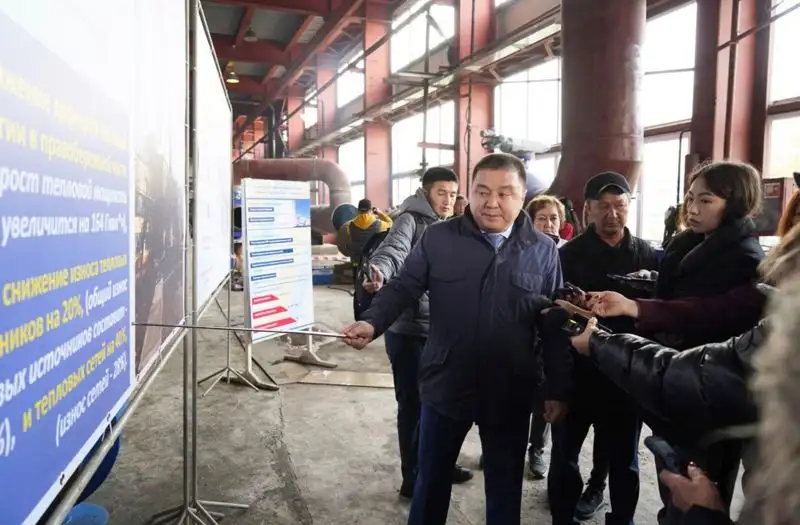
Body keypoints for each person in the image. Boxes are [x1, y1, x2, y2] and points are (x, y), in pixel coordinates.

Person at [342, 152, 572, 525]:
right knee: (430, 483)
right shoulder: (439, 238)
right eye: (482, 191)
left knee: (504, 489)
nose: (491, 202)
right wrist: (372, 322)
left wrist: (556, 389)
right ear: (471, 192)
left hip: (510, 389)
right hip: (446, 383)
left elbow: (553, 323)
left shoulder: (542, 250)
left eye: (504, 193)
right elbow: (404, 286)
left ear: (522, 198)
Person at [567, 222, 800, 525]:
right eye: (691, 199)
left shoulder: (748, 265)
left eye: (706, 200)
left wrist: (599, 342)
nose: (693, 208)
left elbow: (689, 370)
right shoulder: (685, 246)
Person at [548, 171, 659, 525]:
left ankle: (620, 517)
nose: (613, 214)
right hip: (578, 374)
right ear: (589, 209)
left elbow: (659, 314)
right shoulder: (568, 256)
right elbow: (553, 319)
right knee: (564, 455)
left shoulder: (647, 255)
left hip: (626, 375)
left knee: (625, 460)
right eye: (604, 206)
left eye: (620, 205)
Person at [362, 167, 472, 498]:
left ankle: (439, 464)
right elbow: (393, 251)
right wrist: (380, 271)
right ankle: (412, 476)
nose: (448, 200)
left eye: (452, 194)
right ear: (425, 192)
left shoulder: (452, 226)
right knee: (413, 405)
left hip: (441, 330)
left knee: (441, 404)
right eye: (441, 193)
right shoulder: (409, 221)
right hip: (408, 331)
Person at [520, 194, 568, 480]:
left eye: (554, 218)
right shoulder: (521, 250)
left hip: (550, 336)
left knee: (545, 395)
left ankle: (537, 448)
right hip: (522, 333)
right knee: (513, 396)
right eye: (542, 218)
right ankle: (500, 445)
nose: (549, 224)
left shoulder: (567, 252)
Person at [336, 199, 393, 318]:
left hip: (356, 264)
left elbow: (346, 243)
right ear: (370, 209)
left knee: (359, 290)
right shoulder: (380, 224)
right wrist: (380, 213)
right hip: (373, 264)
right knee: (373, 290)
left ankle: (358, 316)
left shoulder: (349, 225)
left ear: (358, 210)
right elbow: (391, 223)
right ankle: (371, 317)